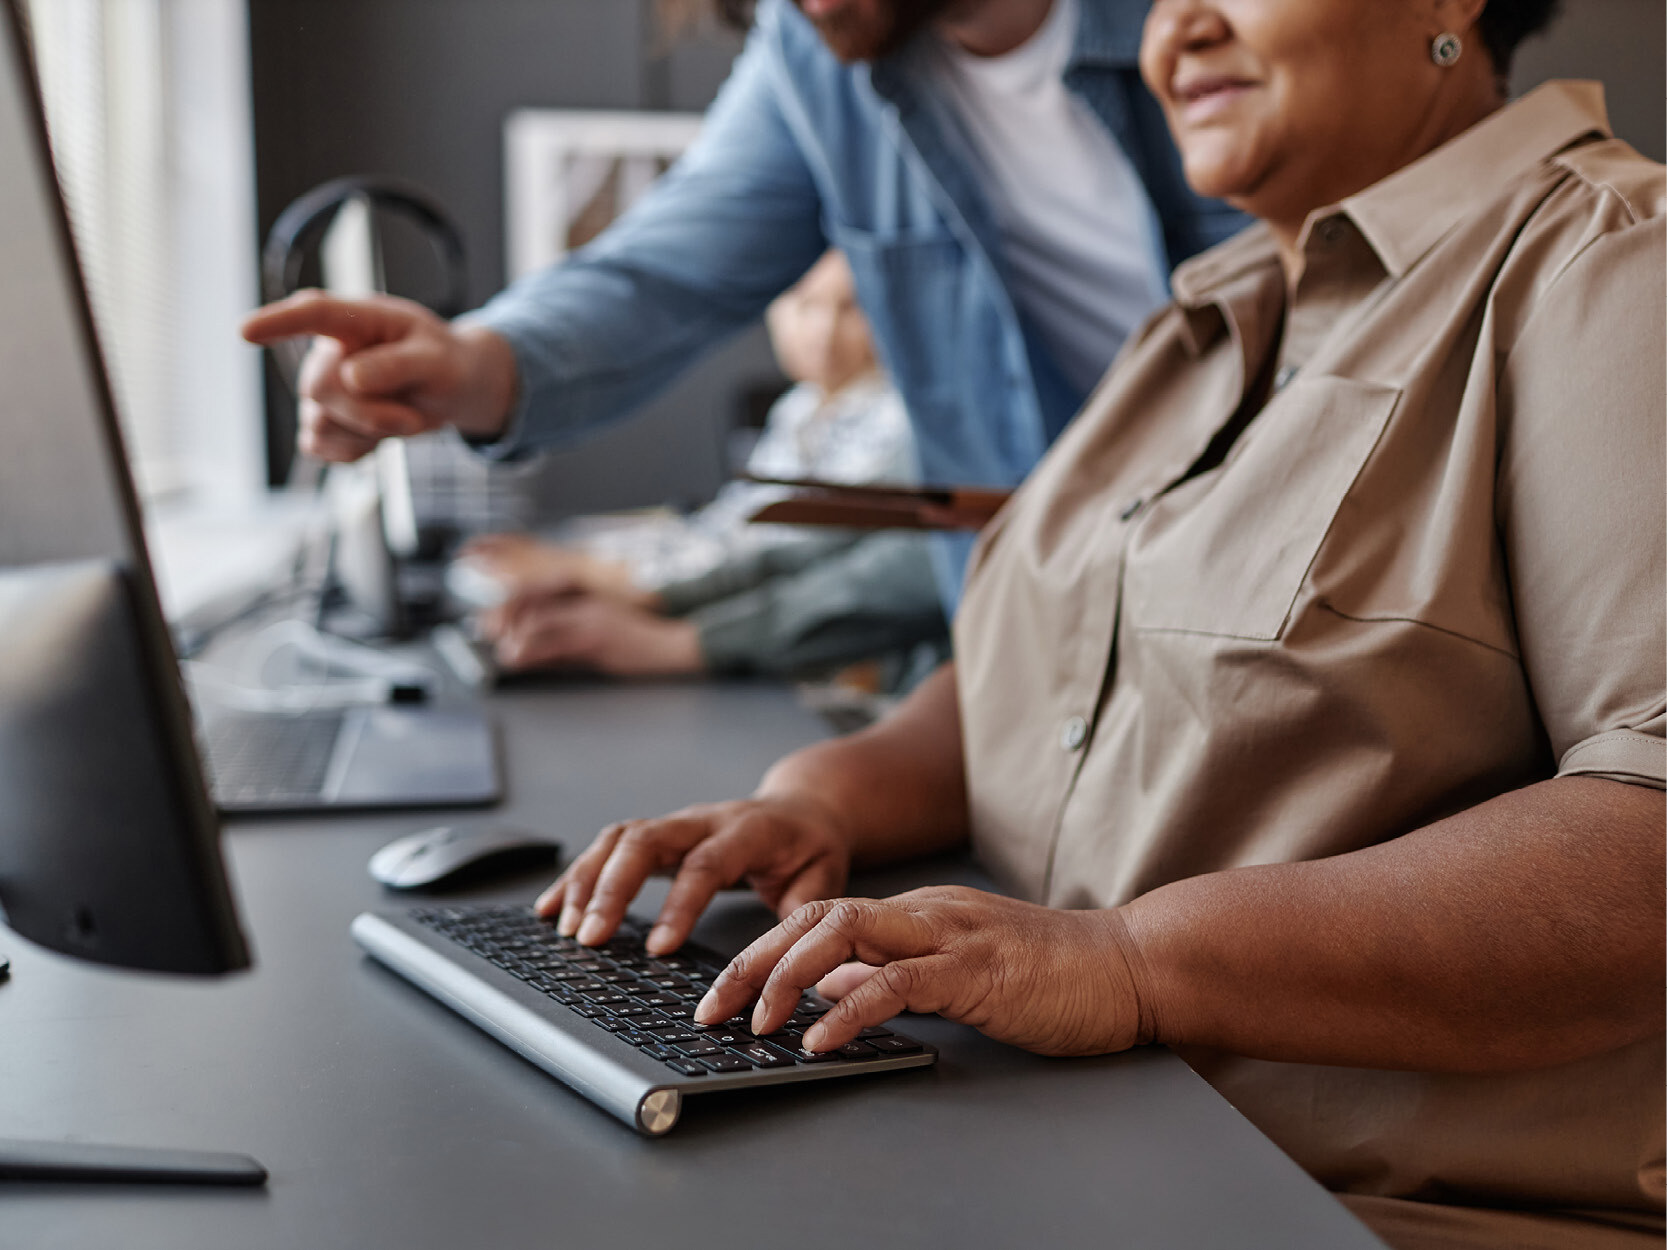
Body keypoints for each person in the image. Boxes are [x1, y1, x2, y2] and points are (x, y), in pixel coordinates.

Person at [528, 1, 1666, 1246]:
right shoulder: (1199, 319)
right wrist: (821, 802)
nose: (1175, 28)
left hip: (1354, 1203)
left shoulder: (1612, 266)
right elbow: (1042, 666)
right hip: (1063, 1141)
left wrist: (1127, 960)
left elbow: (1645, 840)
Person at [241, 0, 1248, 609]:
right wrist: (470, 365)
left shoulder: (1230, 35)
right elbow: (661, 269)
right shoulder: (814, 55)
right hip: (1046, 630)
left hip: (1262, 584)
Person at [461, 251, 948, 682]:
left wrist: (626, 589)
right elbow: (744, 532)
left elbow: (794, 549)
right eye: (804, 303)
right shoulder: (801, 408)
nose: (822, 331)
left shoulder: (900, 420)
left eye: (852, 308)